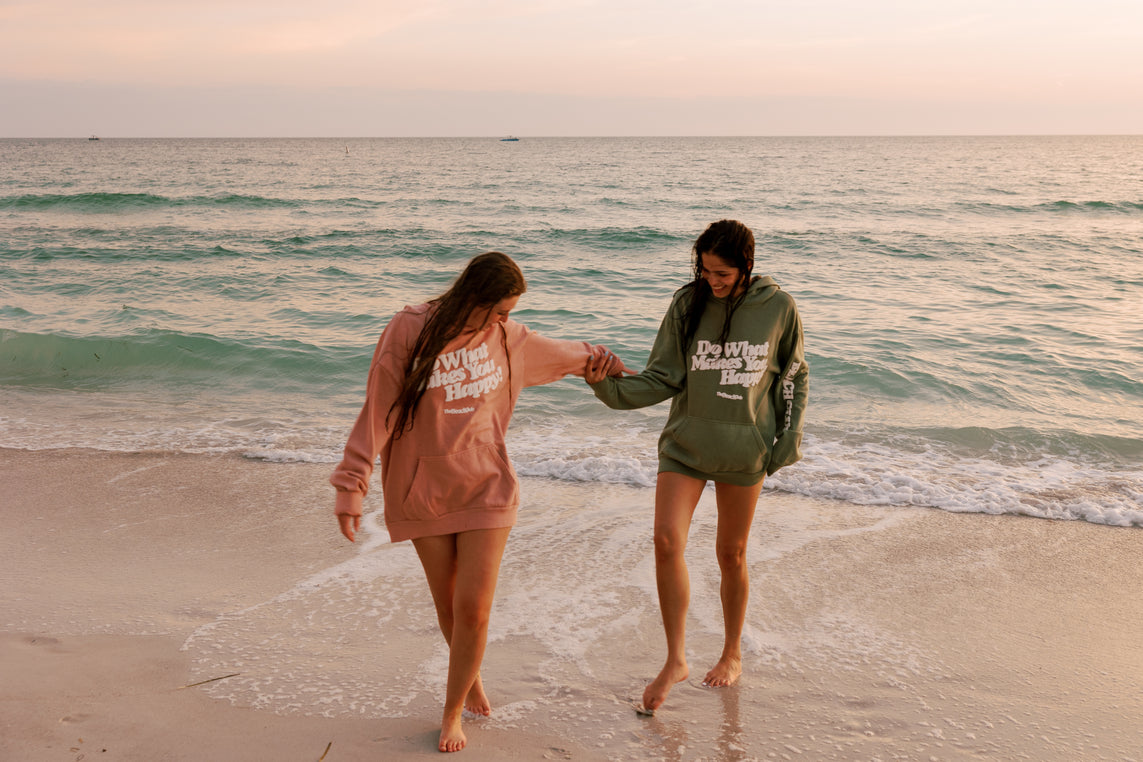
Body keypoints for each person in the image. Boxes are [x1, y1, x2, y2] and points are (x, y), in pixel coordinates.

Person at [331, 251, 627, 753]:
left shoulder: (508, 339)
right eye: (499, 311)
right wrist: (351, 483)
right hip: (422, 489)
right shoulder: (409, 329)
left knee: (473, 610)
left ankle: (450, 713)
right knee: (448, 604)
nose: (505, 321)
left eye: (509, 313)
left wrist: (611, 368)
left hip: (487, 485)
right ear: (473, 298)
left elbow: (570, 355)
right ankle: (470, 677)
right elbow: (378, 408)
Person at [585, 220, 808, 713]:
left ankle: (732, 653)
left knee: (731, 554)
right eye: (705, 270)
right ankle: (675, 659)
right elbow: (664, 376)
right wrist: (608, 387)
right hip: (685, 446)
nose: (713, 280)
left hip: (743, 450)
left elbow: (793, 374)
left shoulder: (779, 307)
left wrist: (786, 438)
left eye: (722, 272)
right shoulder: (687, 304)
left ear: (746, 265)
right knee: (666, 540)